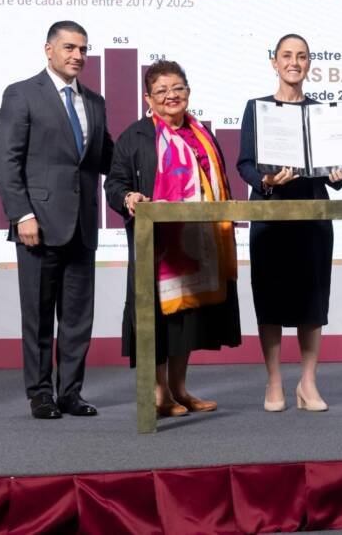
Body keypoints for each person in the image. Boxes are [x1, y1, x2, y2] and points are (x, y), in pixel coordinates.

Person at [104, 60, 242, 417]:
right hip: (157, 246)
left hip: (198, 242)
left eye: (177, 88)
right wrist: (129, 197)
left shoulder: (202, 134)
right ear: (148, 98)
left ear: (188, 92)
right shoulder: (135, 136)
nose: (171, 95)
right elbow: (115, 183)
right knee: (158, 318)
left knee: (187, 320)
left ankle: (180, 389)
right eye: (161, 90)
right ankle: (159, 393)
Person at [0, 20, 113, 419]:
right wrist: (21, 214)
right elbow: (5, 161)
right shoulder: (22, 94)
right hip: (37, 226)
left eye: (83, 49)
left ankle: (71, 393)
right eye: (69, 47)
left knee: (78, 319)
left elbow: (106, 157)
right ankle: (40, 393)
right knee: (39, 317)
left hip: (82, 226)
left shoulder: (95, 101)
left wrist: (148, 147)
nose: (77, 55)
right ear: (49, 50)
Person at [237, 34, 342, 412]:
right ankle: (273, 381)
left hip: (313, 216)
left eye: (301, 56)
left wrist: (337, 172)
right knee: (269, 299)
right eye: (287, 56)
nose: (294, 62)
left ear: (309, 63)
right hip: (270, 215)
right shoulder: (257, 108)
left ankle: (308, 382)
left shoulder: (323, 112)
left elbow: (334, 168)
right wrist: (265, 181)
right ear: (275, 62)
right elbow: (245, 163)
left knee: (312, 299)